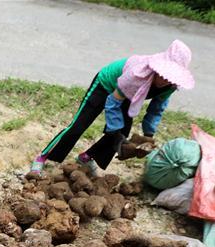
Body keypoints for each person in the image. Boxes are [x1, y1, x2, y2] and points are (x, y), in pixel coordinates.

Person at [30, 40, 194, 177]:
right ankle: (43, 157)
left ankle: (87, 157)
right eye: (164, 74)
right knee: (79, 125)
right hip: (107, 85)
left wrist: (148, 135)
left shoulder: (170, 86)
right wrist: (113, 128)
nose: (166, 80)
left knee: (122, 133)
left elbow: (156, 110)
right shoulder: (138, 74)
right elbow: (112, 102)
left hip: (129, 94)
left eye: (171, 77)